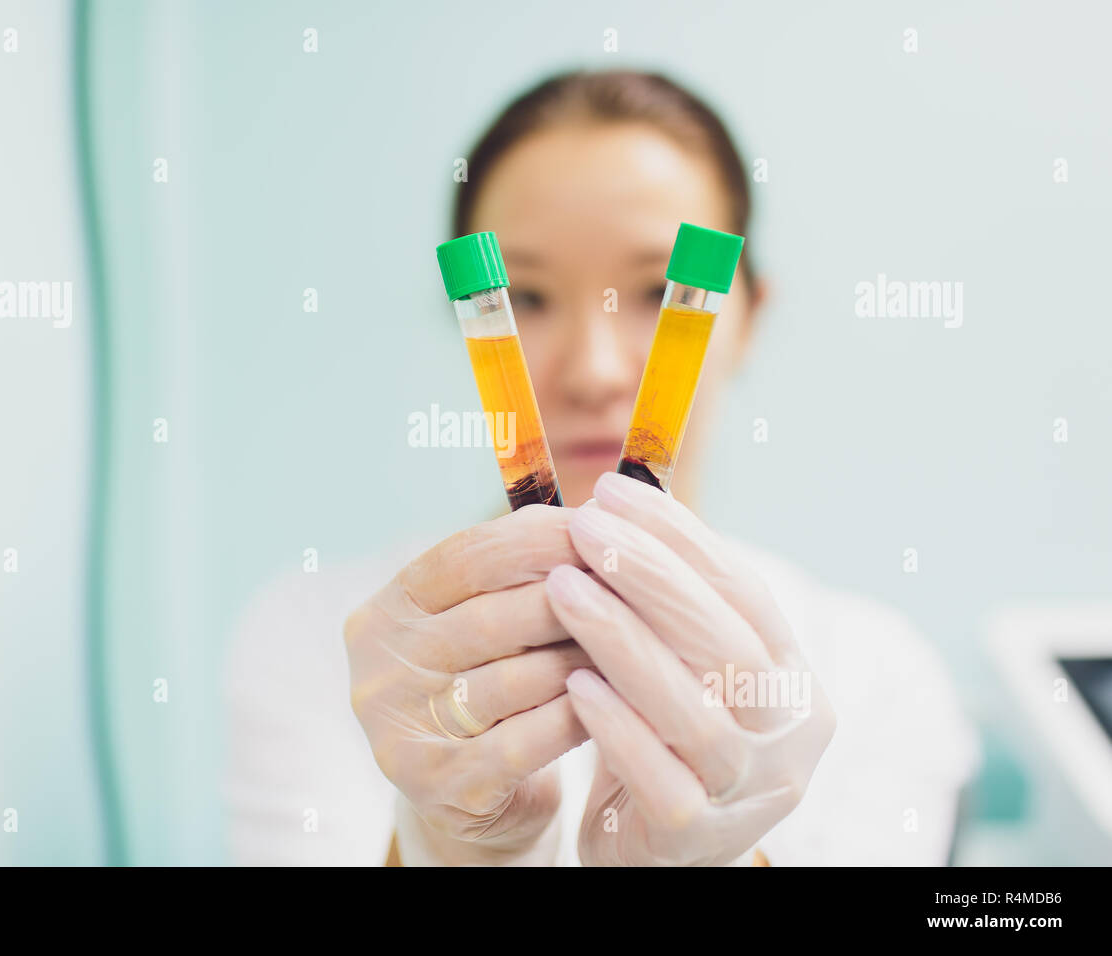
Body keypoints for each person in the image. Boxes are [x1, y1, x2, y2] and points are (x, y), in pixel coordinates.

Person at [227, 71, 979, 866]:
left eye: (662, 291)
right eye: (526, 297)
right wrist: (447, 848)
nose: (591, 371)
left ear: (749, 316)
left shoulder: (876, 673)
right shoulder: (327, 641)